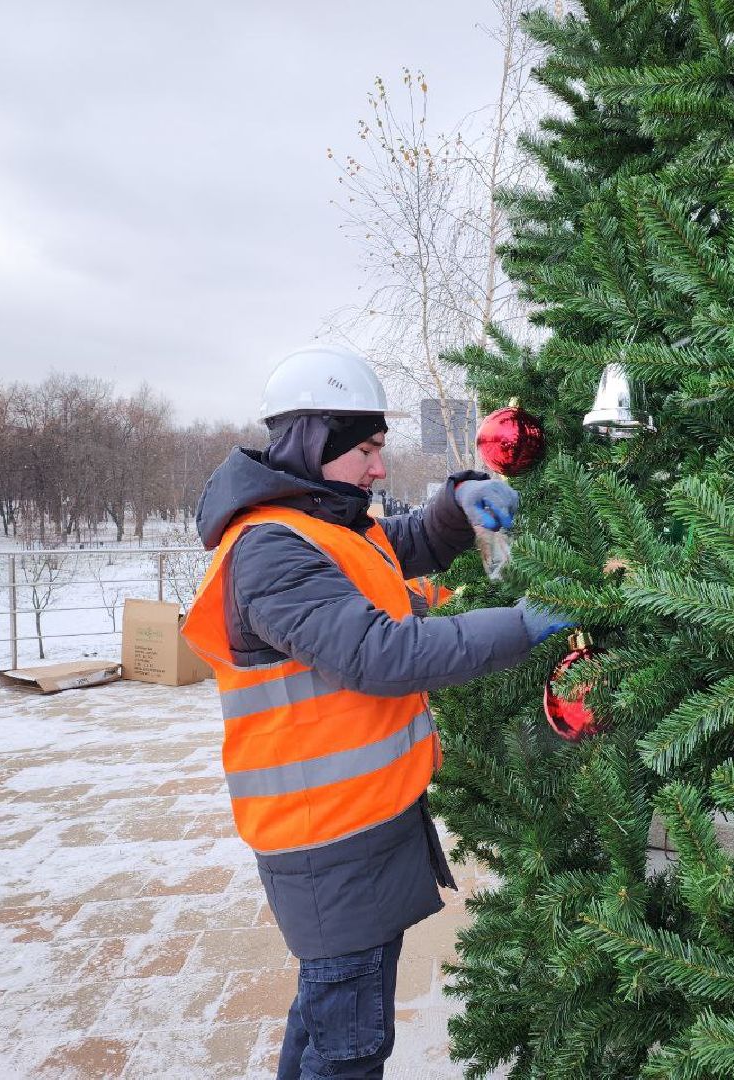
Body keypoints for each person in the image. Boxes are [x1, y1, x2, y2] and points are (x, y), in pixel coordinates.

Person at [181, 344, 574, 1079]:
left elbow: (403, 545)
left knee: (325, 1023)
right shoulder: (272, 549)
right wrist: (519, 626)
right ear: (312, 442)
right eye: (364, 449)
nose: (378, 468)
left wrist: (456, 504)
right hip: (326, 842)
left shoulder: (330, 526)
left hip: (359, 827)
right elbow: (380, 656)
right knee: (350, 1048)